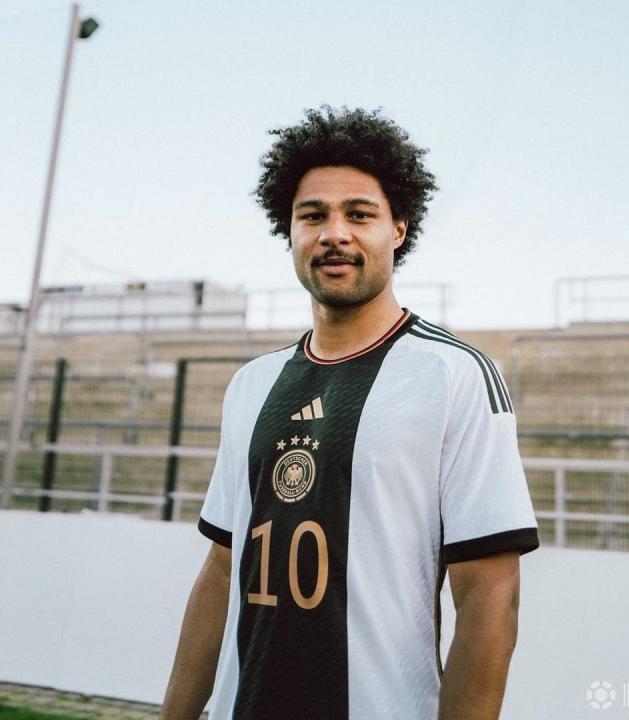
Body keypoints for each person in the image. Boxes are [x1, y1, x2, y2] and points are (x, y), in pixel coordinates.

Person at [160, 106, 540, 720]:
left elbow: (490, 595)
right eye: (312, 215)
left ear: (398, 230)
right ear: (289, 231)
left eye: (359, 214)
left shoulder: (454, 374)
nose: (334, 233)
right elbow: (222, 569)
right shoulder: (251, 384)